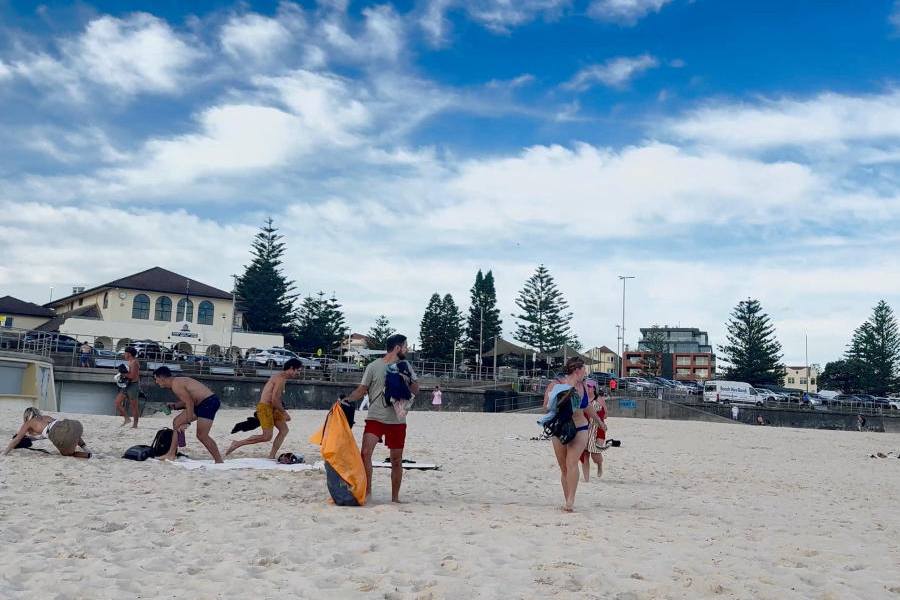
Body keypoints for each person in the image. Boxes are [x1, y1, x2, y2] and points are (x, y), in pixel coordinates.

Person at [346, 334, 419, 503]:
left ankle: (395, 498)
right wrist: (346, 400)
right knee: (365, 454)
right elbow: (362, 390)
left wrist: (406, 375)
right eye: (405, 346)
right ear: (397, 348)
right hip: (375, 417)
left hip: (397, 421)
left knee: (396, 460)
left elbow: (416, 391)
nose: (407, 349)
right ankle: (368, 492)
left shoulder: (406, 365)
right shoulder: (373, 366)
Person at [543, 357, 602, 512]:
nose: (586, 373)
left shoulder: (582, 386)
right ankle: (567, 497)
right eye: (584, 370)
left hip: (580, 427)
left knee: (572, 462)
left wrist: (599, 421)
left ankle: (571, 500)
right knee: (564, 468)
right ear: (577, 370)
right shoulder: (556, 384)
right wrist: (560, 401)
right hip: (560, 428)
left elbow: (587, 406)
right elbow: (545, 406)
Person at [226, 358, 300, 458]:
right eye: (298, 370)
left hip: (273, 408)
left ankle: (271, 456)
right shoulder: (280, 379)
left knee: (284, 430)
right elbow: (274, 399)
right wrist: (284, 413)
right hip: (265, 408)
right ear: (291, 368)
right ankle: (237, 443)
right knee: (267, 436)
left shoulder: (282, 378)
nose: (298, 373)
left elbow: (275, 399)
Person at [153, 366, 223, 463]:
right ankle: (171, 454)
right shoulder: (176, 383)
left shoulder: (176, 385)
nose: (156, 382)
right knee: (177, 422)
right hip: (200, 403)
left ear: (162, 377)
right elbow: (190, 400)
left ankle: (219, 460)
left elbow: (190, 403)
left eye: (156, 379)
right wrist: (174, 406)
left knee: (202, 435)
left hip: (209, 402)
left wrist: (187, 423)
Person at [2, 407, 90, 458]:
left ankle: (86, 455)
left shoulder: (28, 423)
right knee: (71, 432)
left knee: (66, 454)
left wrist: (4, 453)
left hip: (58, 433)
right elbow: (60, 429)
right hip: (75, 425)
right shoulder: (45, 417)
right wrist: (31, 438)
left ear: (26, 416)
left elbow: (17, 439)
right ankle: (87, 450)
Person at [580, 380, 608, 482]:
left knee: (595, 453)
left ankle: (599, 464)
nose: (587, 387)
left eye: (589, 386)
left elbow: (606, 415)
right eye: (586, 386)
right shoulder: (583, 399)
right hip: (584, 429)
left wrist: (597, 418)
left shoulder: (599, 399)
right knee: (584, 454)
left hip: (598, 429)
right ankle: (586, 479)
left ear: (594, 388)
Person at [115, 347, 141, 428]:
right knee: (117, 403)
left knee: (134, 406)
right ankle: (127, 419)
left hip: (133, 385)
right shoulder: (129, 362)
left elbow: (132, 376)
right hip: (127, 385)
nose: (124, 354)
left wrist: (122, 374)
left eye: (125, 353)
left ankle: (135, 424)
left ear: (129, 354)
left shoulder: (134, 362)